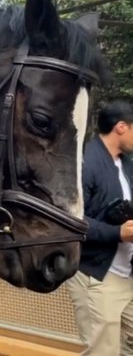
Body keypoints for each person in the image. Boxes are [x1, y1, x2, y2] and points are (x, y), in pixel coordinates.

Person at [66, 100, 133, 355]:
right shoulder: (84, 163)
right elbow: (72, 219)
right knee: (103, 351)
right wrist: (118, 233)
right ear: (121, 127)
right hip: (97, 276)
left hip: (127, 274)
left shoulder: (127, 164)